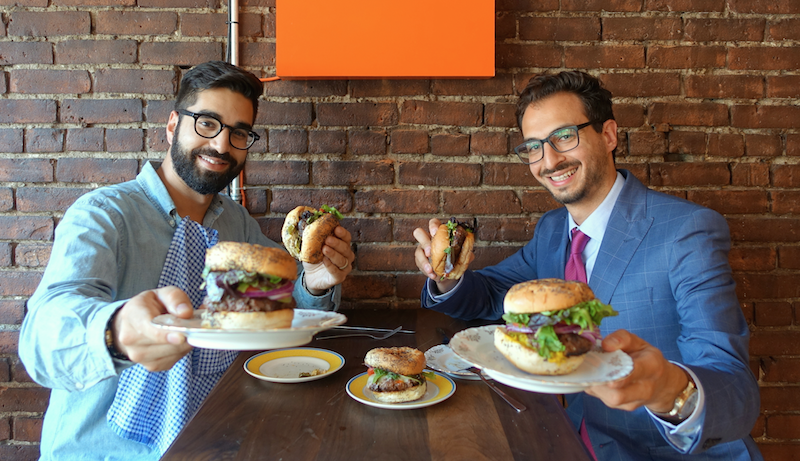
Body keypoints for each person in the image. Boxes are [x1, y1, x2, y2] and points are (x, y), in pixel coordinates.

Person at [413, 71, 762, 460]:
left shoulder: (686, 230)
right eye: (533, 146)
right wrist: (444, 273)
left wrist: (666, 389)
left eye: (564, 136)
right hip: (567, 440)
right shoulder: (552, 231)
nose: (549, 161)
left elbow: (737, 392)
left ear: (609, 135)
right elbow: (494, 293)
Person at [19, 61, 355, 460]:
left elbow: (270, 318)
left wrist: (313, 282)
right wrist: (116, 332)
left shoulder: (237, 225)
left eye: (239, 132)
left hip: (212, 443)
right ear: (173, 125)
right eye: (207, 123)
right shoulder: (104, 215)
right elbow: (42, 339)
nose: (221, 145)